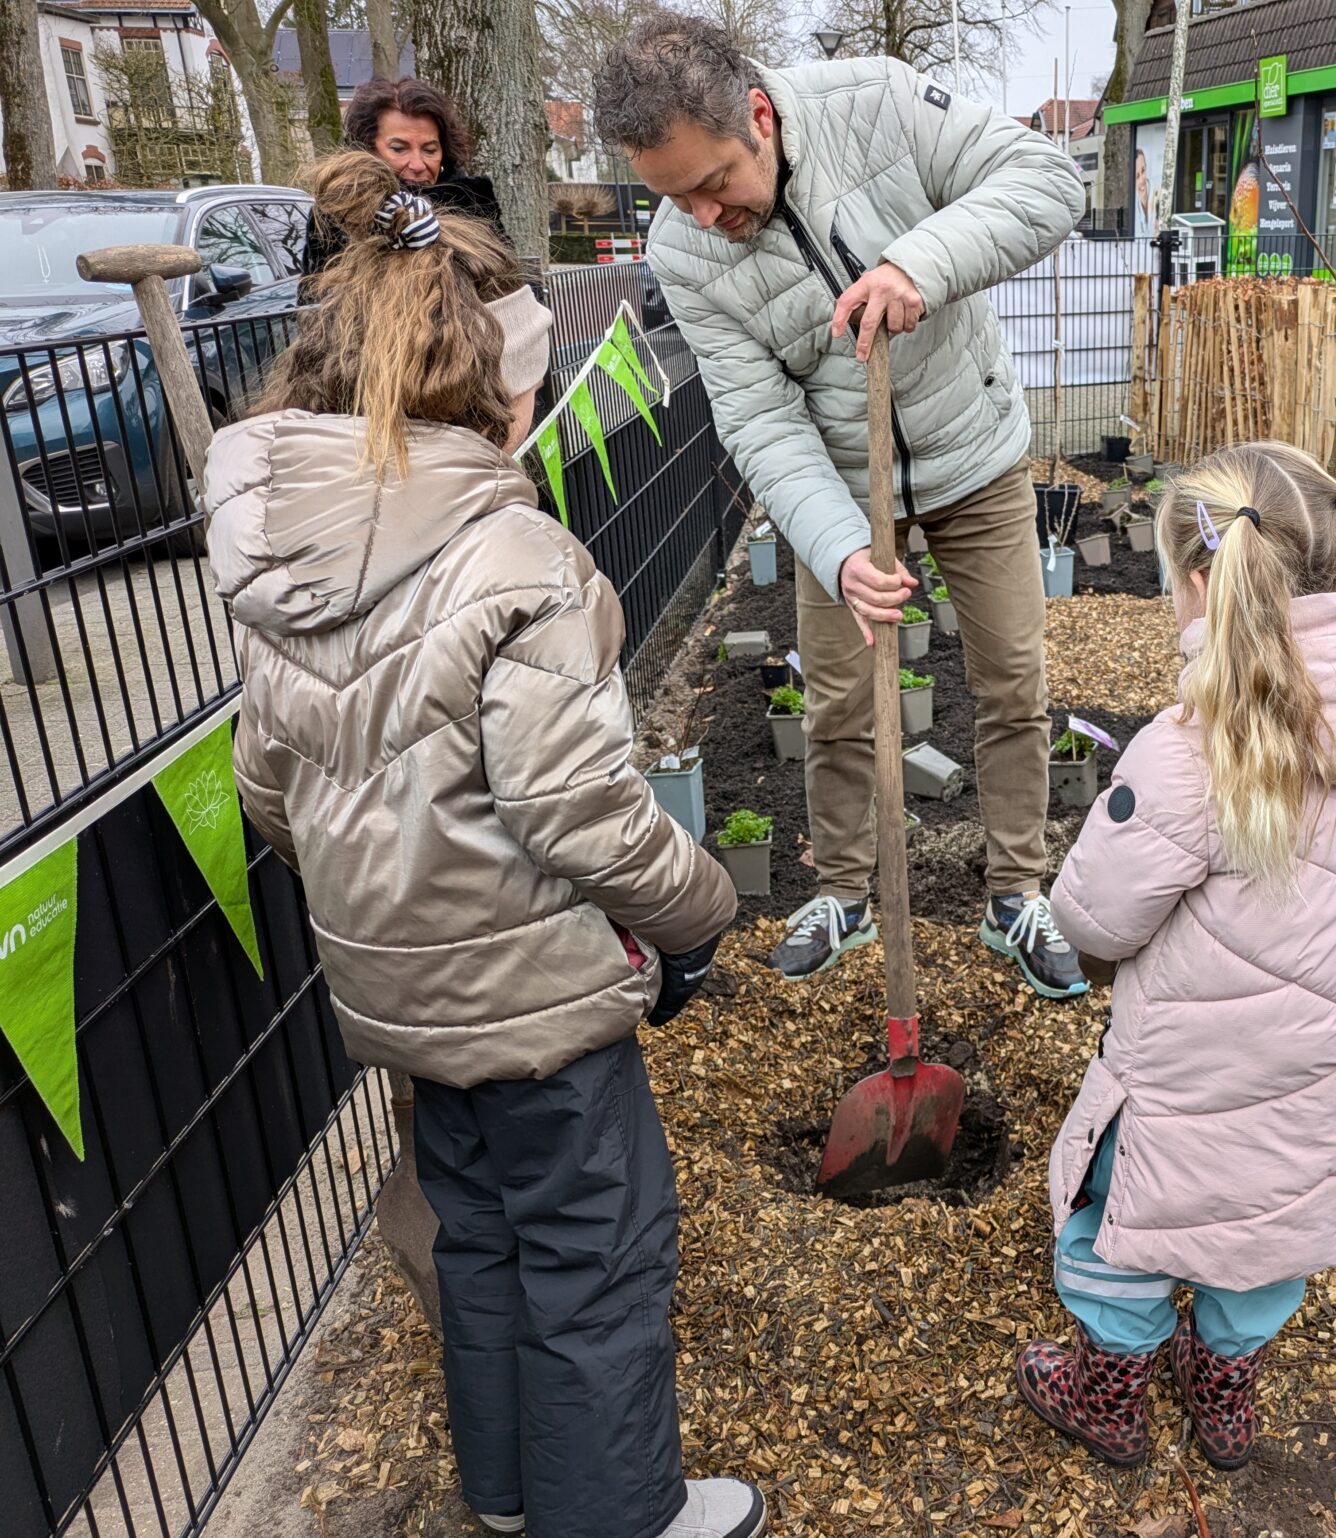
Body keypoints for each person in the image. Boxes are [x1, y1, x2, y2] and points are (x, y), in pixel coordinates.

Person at [208, 151, 764, 1538]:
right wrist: (699, 908)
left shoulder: (286, 570)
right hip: (541, 1011)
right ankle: (621, 1512)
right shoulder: (517, 562)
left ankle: (511, 1494)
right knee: (597, 1253)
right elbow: (575, 808)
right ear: (497, 390)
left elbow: (269, 790)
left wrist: (386, 894)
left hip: (398, 1002)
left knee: (483, 1248)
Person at [592, 17, 1092, 997]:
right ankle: (846, 894)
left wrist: (920, 263)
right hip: (841, 484)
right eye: (670, 195)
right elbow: (758, 421)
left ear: (762, 117)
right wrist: (836, 550)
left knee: (1011, 683)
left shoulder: (879, 104)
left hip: (975, 453)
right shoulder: (686, 255)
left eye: (711, 182)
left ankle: (1016, 892)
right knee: (836, 700)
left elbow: (1046, 183)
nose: (697, 214)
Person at [1013, 442, 1336, 1469]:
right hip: (1321, 1076)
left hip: (1183, 1076)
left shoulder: (1193, 747)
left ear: (1196, 584)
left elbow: (1094, 920)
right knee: (1267, 1232)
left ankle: (1109, 1390)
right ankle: (1223, 1389)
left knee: (1123, 1228)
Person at [302, 78, 506, 278]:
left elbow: (514, 286)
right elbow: (314, 301)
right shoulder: (338, 211)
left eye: (430, 150)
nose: (417, 165)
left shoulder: (473, 201)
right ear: (367, 150)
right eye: (399, 149)